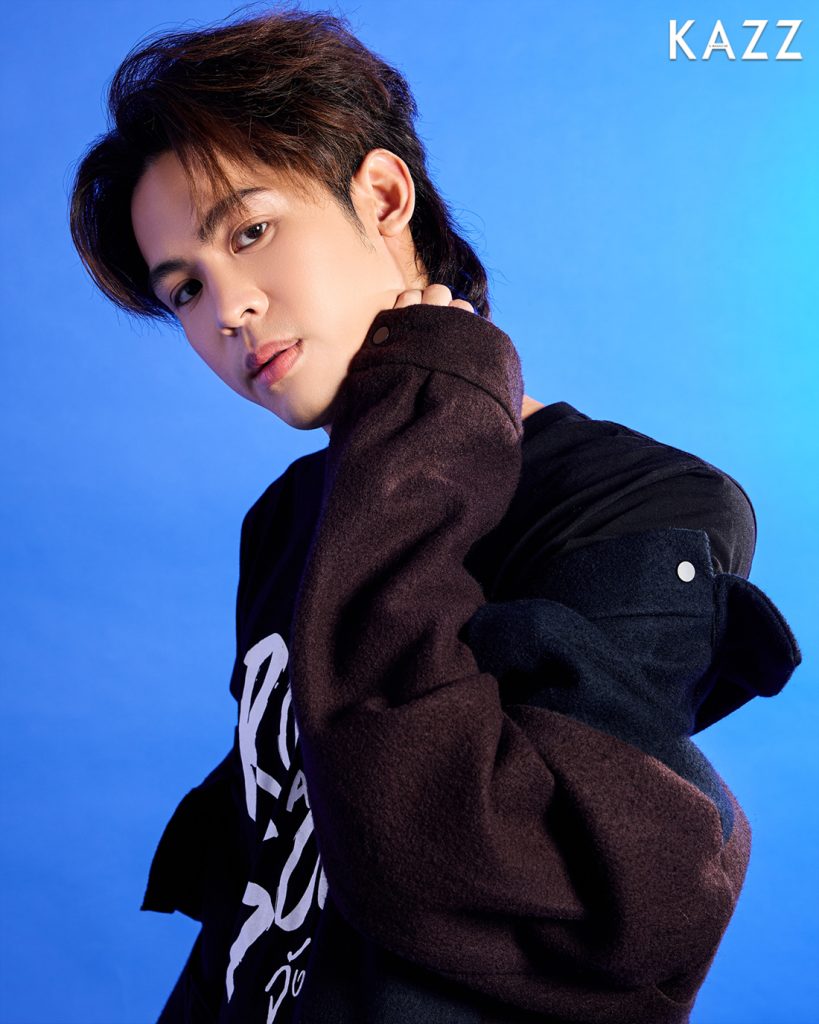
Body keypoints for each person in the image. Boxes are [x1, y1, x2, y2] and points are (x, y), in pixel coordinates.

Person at [68, 6, 802, 1023]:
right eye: (186, 287)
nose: (228, 309)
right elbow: (273, 879)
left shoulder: (641, 498)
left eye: (251, 231)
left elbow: (464, 863)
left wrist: (431, 409)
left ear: (381, 195)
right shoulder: (289, 518)